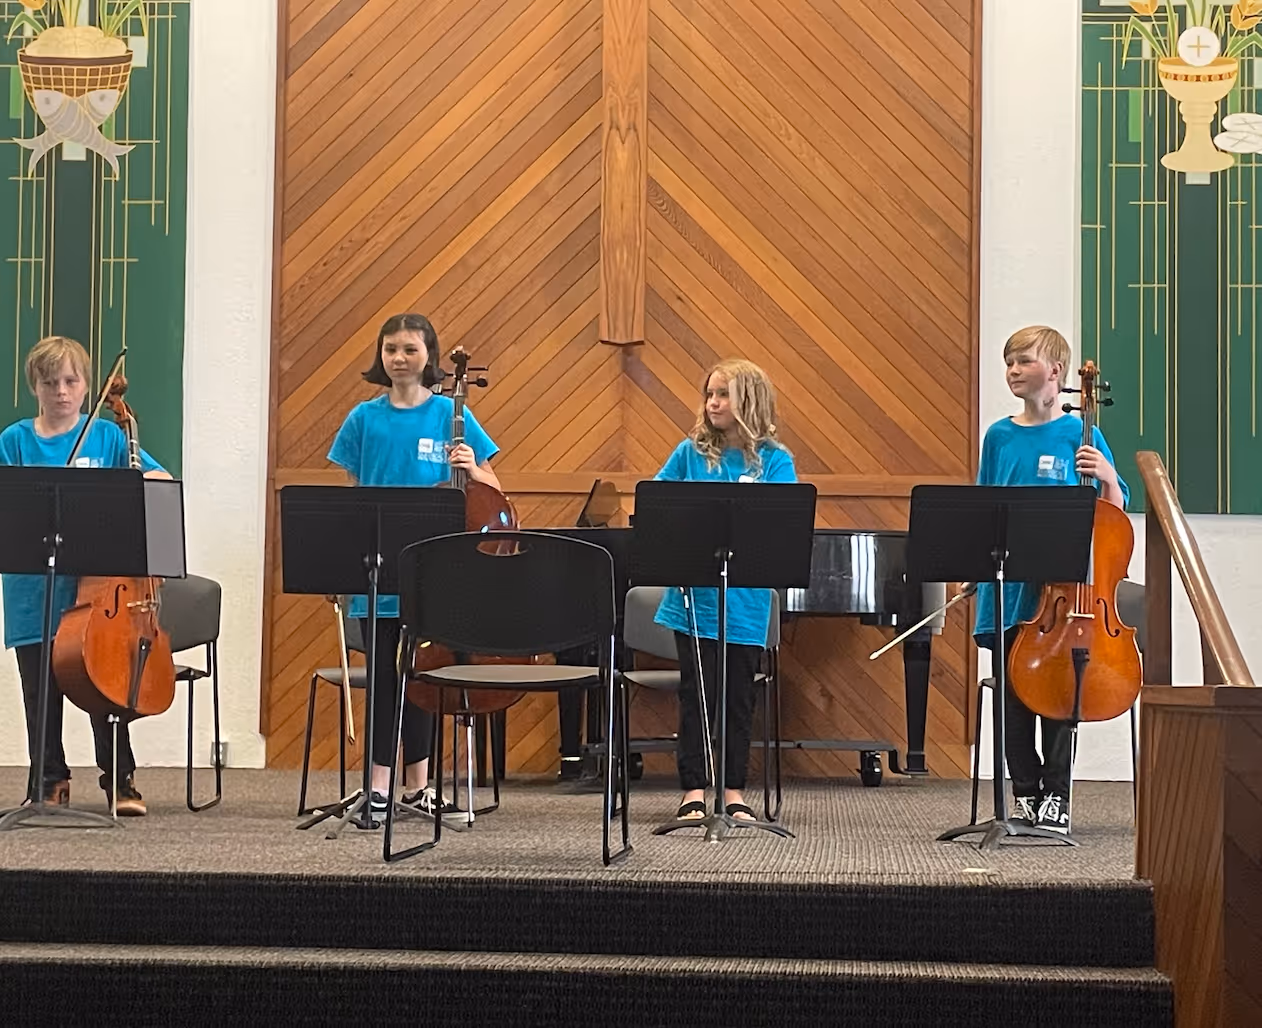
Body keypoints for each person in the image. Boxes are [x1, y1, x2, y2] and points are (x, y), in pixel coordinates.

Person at [327, 312, 501, 823]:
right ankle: (378, 787)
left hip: (436, 570)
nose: (399, 359)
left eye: (410, 349)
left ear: (429, 355)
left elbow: (490, 484)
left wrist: (472, 467)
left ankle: (419, 787)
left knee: (425, 680)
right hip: (380, 569)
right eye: (390, 350)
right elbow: (357, 494)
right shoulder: (364, 418)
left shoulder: (451, 414)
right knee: (385, 680)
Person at [1, 336, 172, 816]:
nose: (61, 391)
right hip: (33, 588)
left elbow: (158, 480)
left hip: (97, 593)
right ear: (34, 385)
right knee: (40, 691)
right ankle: (48, 781)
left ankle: (120, 779)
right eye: (49, 381)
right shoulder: (14, 440)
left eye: (71, 380)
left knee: (105, 685)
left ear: (86, 385)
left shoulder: (108, 436)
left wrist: (140, 478)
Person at [974, 325, 1129, 834]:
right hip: (1013, 592)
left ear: (1057, 372)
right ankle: (1025, 793)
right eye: (1009, 362)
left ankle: (1057, 797)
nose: (1013, 370)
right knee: (1014, 697)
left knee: (1064, 695)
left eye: (1023, 361)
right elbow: (984, 505)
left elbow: (1113, 513)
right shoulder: (999, 435)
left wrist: (1106, 474)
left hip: (1069, 597)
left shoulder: (1078, 432)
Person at [653, 358, 795, 823]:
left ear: (748, 401)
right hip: (693, 600)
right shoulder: (689, 453)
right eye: (709, 394)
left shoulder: (775, 460)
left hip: (745, 604)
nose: (713, 403)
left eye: (723, 394)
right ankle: (693, 789)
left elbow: (779, 527)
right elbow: (658, 506)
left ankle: (733, 790)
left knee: (737, 697)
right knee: (696, 694)